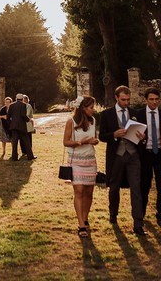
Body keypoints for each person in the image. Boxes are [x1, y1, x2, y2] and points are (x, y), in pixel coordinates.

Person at [99, 85, 145, 236]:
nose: (126, 102)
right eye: (123, 99)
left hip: (133, 156)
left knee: (136, 188)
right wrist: (114, 134)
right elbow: (102, 136)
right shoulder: (106, 114)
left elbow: (143, 134)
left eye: (128, 99)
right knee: (114, 187)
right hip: (116, 155)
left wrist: (142, 138)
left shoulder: (136, 113)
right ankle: (113, 215)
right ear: (116, 98)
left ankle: (138, 224)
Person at [133, 87, 161, 227]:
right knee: (144, 187)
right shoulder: (138, 115)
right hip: (145, 154)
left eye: (157, 99)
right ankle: (141, 215)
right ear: (145, 100)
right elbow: (131, 134)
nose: (154, 102)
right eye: (151, 99)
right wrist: (140, 137)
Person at [62, 97, 99, 237]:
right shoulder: (71, 122)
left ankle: (85, 217)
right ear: (83, 108)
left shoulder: (93, 121)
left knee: (89, 192)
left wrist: (94, 141)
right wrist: (80, 142)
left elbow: (93, 137)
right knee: (79, 190)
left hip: (90, 160)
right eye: (91, 107)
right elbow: (65, 142)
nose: (93, 109)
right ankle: (81, 225)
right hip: (76, 160)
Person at [7, 93, 35, 161]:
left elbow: (8, 116)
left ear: (16, 99)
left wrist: (10, 124)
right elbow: (23, 115)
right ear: (22, 99)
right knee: (26, 141)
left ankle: (14, 157)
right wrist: (29, 120)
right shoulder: (24, 105)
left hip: (13, 126)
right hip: (22, 126)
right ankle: (30, 156)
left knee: (15, 142)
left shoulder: (11, 105)